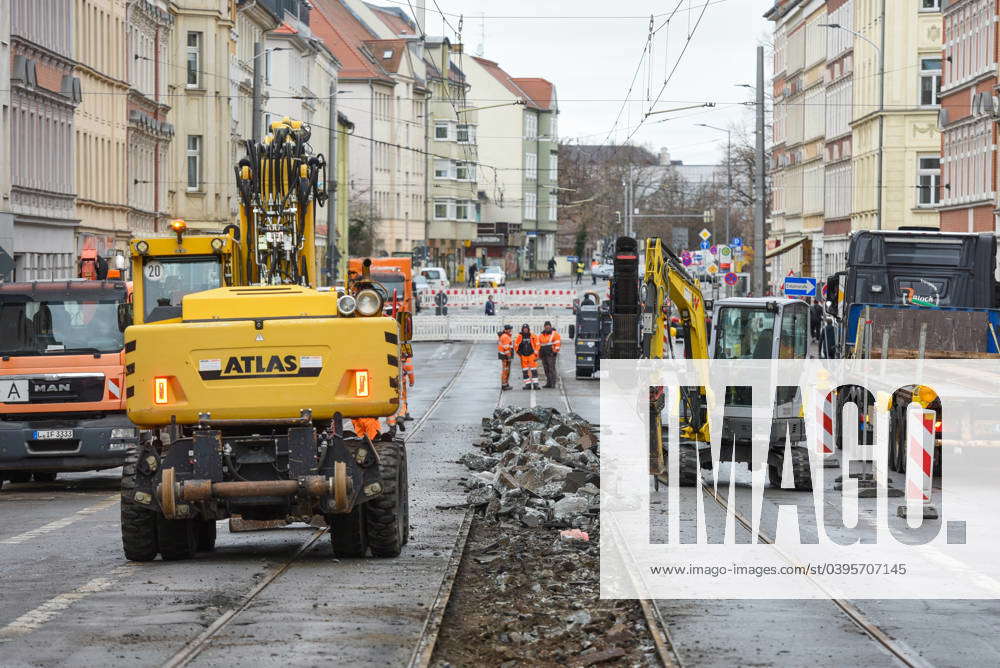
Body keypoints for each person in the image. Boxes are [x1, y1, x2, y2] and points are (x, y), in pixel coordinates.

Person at [513, 323, 541, 390]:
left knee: (534, 370)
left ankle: (535, 384)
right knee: (525, 371)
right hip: (523, 356)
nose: (525, 330)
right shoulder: (519, 336)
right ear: (522, 329)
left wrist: (536, 353)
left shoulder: (533, 336)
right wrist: (519, 353)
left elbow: (537, 345)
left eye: (526, 329)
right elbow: (516, 345)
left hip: (531, 355)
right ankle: (527, 385)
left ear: (528, 329)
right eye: (524, 329)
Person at [538, 320, 562, 388]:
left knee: (551, 369)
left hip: (551, 354)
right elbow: (539, 345)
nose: (547, 328)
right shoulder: (541, 335)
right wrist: (539, 354)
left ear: (550, 327)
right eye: (546, 327)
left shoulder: (555, 334)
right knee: (546, 369)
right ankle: (548, 382)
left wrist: (555, 351)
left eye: (548, 327)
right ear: (544, 327)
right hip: (544, 354)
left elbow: (558, 343)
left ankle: (552, 383)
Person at [497, 324, 513, 390]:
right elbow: (506, 348)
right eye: (509, 329)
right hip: (505, 356)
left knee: (506, 370)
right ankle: (504, 384)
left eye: (510, 329)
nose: (510, 330)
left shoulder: (505, 336)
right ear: (506, 330)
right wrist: (509, 357)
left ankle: (505, 383)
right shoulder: (506, 337)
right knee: (505, 370)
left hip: (503, 355)